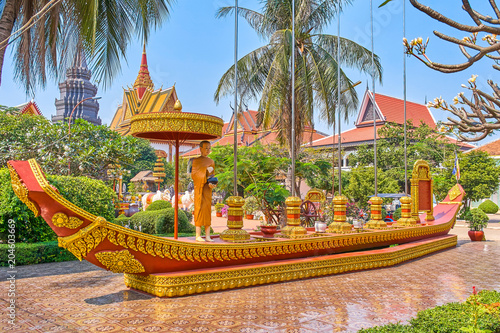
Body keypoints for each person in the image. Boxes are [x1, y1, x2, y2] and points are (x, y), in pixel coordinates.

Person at [191, 141, 216, 241]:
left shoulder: (211, 161)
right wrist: (205, 171)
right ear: (200, 148)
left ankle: (207, 236)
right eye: (206, 148)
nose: (208, 150)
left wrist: (213, 184)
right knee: (199, 210)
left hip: (207, 189)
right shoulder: (196, 161)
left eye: (209, 148)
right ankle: (198, 235)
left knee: (207, 211)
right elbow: (194, 175)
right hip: (199, 189)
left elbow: (212, 175)